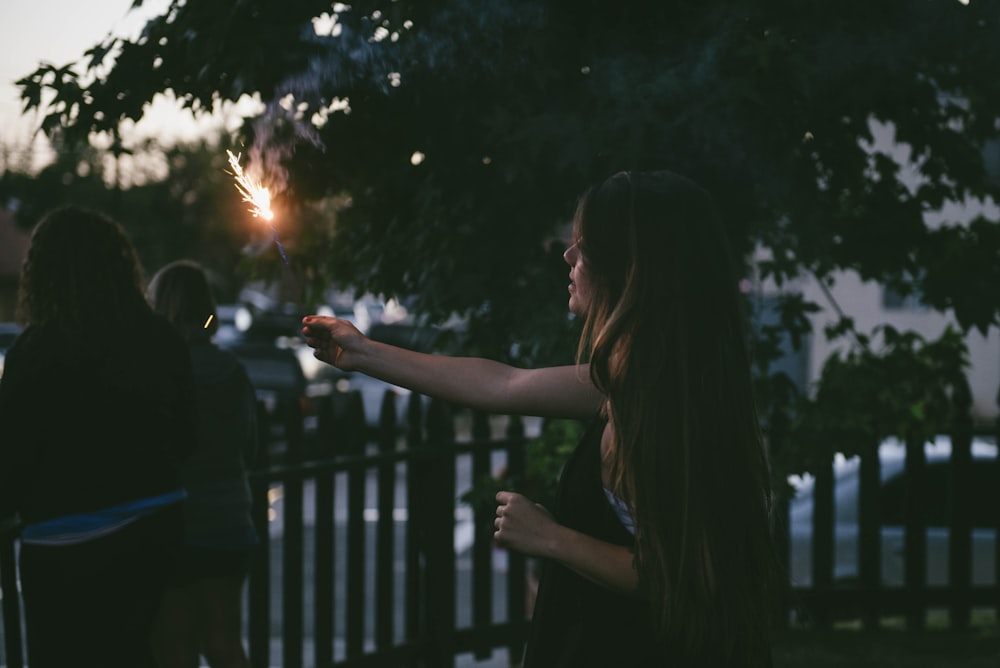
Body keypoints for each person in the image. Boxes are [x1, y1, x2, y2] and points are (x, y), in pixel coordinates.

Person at [302, 170, 779, 666]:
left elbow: (688, 574)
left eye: (584, 245)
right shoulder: (640, 379)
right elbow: (503, 385)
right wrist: (363, 353)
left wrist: (550, 538)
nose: (568, 256)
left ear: (629, 269)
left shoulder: (654, 402)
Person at [0, 206, 198, 668]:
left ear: (41, 273)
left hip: (65, 546)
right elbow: (188, 438)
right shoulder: (160, 338)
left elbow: (9, 463)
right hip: (156, 533)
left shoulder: (35, 352)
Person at [147, 259, 260, 668]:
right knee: (225, 640)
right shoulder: (232, 370)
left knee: (175, 646)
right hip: (231, 522)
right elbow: (249, 445)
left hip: (177, 524)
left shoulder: (157, 371)